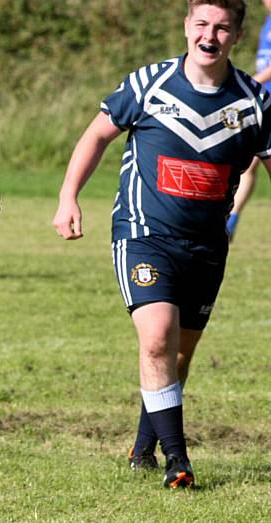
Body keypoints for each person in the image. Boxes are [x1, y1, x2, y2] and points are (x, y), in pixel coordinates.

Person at [53, 0, 271, 489]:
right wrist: (69, 196)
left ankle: (142, 447)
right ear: (186, 27)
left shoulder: (254, 102)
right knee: (156, 337)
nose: (209, 35)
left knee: (176, 357)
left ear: (236, 36)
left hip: (208, 245)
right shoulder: (147, 84)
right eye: (201, 24)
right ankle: (178, 461)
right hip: (142, 233)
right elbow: (96, 136)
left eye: (221, 27)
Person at [226, 0, 271, 240]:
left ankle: (231, 221)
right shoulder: (267, 21)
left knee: (251, 161)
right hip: (264, 100)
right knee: (250, 162)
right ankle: (231, 221)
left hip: (266, 98)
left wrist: (252, 81)